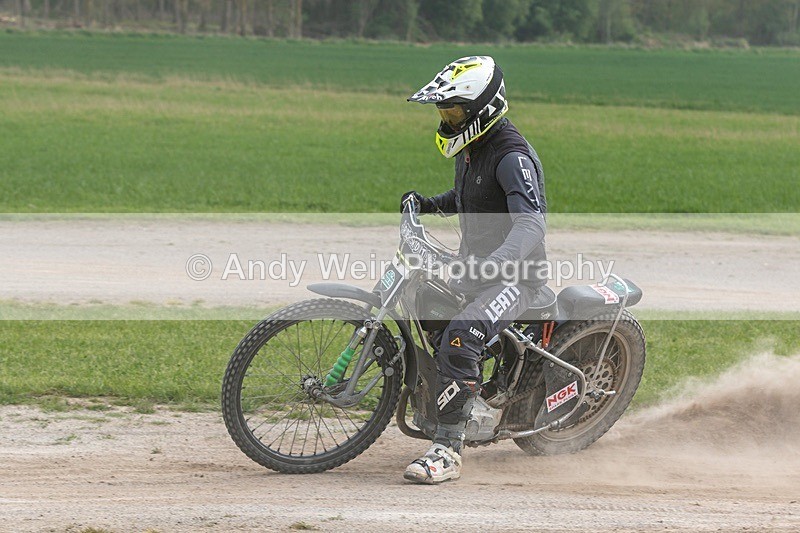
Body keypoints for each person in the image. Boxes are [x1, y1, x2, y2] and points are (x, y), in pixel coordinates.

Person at [402, 56, 548, 484]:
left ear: (484, 108)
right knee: (426, 301)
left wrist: (498, 263)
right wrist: (430, 204)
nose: (447, 120)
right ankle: (463, 393)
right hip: (478, 271)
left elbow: (530, 221)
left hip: (517, 280)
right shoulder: (473, 148)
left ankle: (448, 451)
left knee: (461, 335)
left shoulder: (511, 156)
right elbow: (473, 197)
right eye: (443, 112)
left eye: (454, 112)